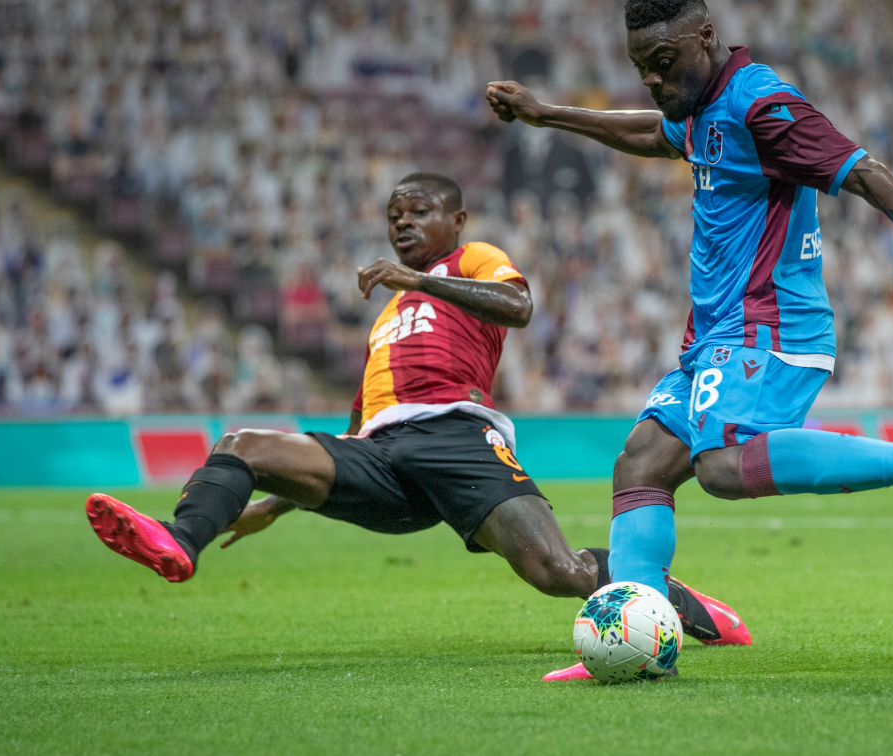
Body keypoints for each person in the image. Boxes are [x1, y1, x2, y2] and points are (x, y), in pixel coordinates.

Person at [486, 0, 893, 680]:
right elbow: (657, 134)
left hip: (771, 327)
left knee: (721, 466)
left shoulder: (762, 105)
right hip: (715, 335)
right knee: (641, 464)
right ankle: (640, 635)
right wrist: (547, 114)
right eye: (640, 67)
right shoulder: (695, 103)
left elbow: (865, 171)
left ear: (705, 38)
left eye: (663, 62)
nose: (651, 79)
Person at [85, 172, 749, 678]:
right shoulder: (387, 319)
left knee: (559, 572)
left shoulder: (472, 260)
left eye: (418, 212)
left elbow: (518, 306)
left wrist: (419, 280)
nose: (402, 223)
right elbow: (353, 431)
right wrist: (276, 504)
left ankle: (671, 599)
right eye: (393, 217)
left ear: (456, 220)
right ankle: (181, 540)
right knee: (243, 445)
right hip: (380, 458)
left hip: (458, 440)